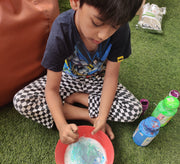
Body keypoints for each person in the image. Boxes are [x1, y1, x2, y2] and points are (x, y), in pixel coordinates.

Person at [13, 0, 143, 144]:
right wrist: (62, 126)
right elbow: (51, 90)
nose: (103, 35)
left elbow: (111, 76)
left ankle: (78, 98)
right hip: (66, 78)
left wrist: (102, 116)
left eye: (114, 26)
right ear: (75, 2)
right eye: (97, 22)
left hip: (96, 80)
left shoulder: (121, 30)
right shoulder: (62, 29)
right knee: (22, 101)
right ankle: (86, 114)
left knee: (134, 109)